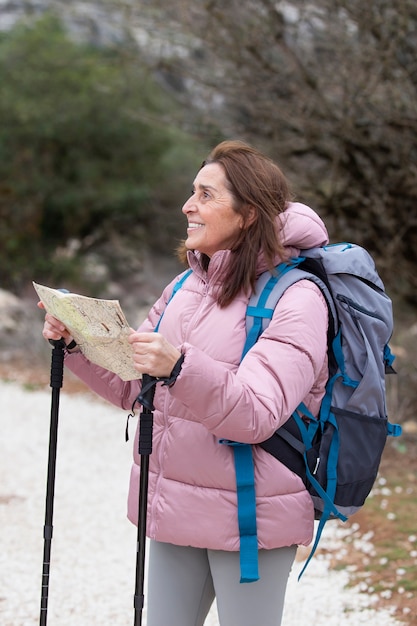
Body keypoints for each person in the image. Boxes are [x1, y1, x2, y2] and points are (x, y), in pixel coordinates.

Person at [40, 140, 329, 626]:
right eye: (192, 191)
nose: (187, 205)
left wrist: (179, 366)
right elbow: (137, 389)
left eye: (206, 195)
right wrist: (78, 345)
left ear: (249, 214)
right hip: (174, 504)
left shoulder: (298, 299)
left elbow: (256, 414)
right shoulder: (184, 287)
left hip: (250, 517)